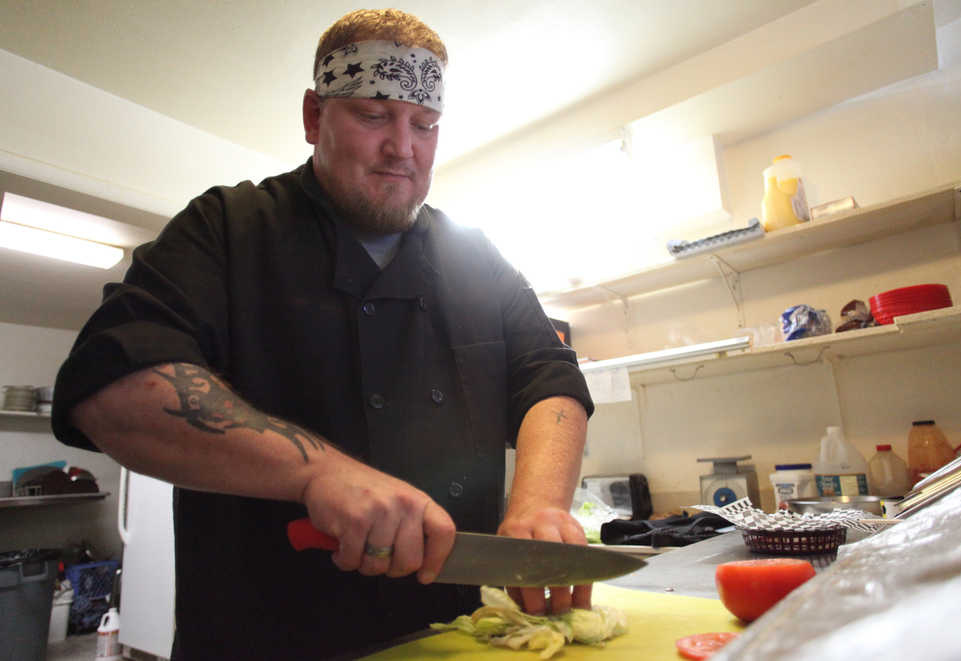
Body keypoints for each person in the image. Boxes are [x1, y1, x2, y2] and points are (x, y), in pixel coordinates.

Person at [51, 8, 594, 660]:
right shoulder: (228, 228)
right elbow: (114, 385)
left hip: (459, 639)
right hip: (263, 640)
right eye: (373, 116)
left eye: (424, 125)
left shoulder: (477, 257)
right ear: (314, 117)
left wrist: (537, 506)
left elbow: (550, 375)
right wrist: (320, 473)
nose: (403, 146)